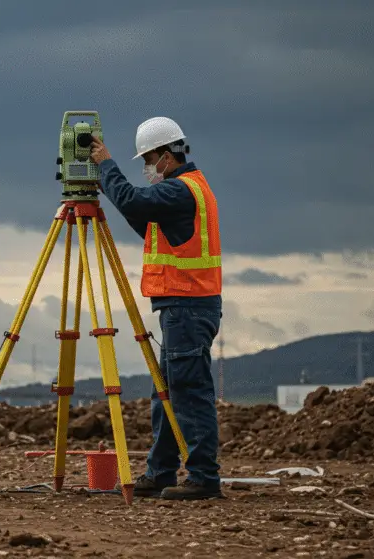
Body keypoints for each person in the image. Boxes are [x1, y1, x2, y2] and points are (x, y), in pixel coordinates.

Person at [89, 117, 223, 500]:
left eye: (148, 159)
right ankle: (161, 471)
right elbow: (143, 217)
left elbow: (134, 201)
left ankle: (203, 478)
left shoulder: (181, 191)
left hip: (188, 306)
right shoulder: (185, 192)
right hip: (184, 306)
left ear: (166, 156)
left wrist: (106, 166)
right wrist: (108, 185)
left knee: (189, 392)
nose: (147, 167)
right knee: (167, 392)